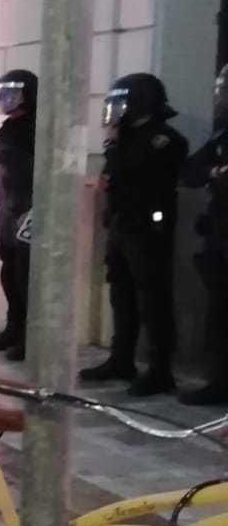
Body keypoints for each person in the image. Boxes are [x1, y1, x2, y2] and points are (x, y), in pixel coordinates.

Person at [80, 72, 188, 396]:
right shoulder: (124, 139)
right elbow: (111, 180)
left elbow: (135, 173)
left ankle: (160, 369)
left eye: (121, 103)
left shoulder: (165, 139)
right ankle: (121, 358)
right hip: (121, 224)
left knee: (153, 298)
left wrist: (114, 146)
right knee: (121, 294)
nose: (116, 111)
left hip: (148, 229)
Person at [179, 67, 228, 405]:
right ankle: (219, 381)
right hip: (221, 237)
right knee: (219, 315)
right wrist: (216, 172)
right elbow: (192, 172)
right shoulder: (222, 135)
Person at [0, 71, 37, 359]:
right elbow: (0, 162)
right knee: (10, 269)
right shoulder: (7, 127)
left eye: (11, 93)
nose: (5, 99)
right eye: (2, 93)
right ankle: (13, 328)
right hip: (8, 206)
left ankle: (31, 336)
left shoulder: (37, 126)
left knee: (28, 273)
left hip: (29, 206)